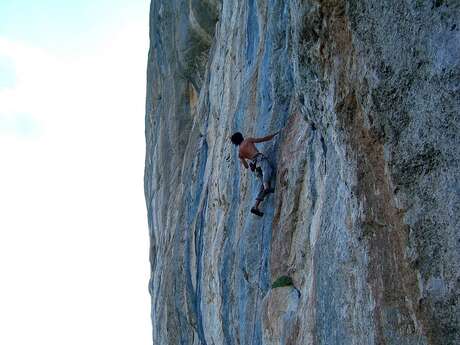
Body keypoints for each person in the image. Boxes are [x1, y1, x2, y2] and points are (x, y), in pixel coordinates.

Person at [230, 131, 279, 217]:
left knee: (262, 185)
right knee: (267, 170)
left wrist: (242, 158)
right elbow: (262, 139)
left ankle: (255, 206)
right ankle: (267, 187)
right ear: (241, 137)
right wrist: (274, 135)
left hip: (254, 166)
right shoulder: (248, 140)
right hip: (259, 159)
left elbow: (246, 166)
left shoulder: (240, 152)